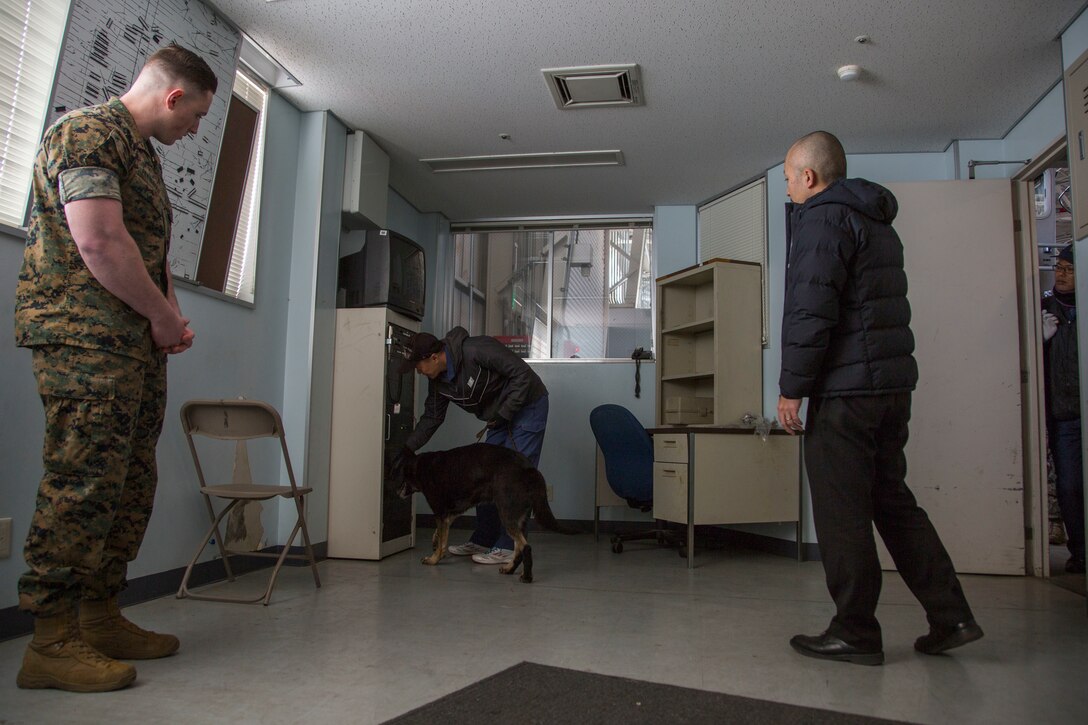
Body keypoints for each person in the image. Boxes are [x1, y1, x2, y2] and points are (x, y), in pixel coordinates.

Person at [13, 44, 216, 692]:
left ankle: (99, 615)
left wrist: (169, 315)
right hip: (85, 338)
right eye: (197, 117)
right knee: (83, 479)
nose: (194, 132)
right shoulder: (88, 133)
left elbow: (144, 249)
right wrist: (160, 317)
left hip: (131, 342)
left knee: (128, 482)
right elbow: (98, 240)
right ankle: (50, 638)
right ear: (174, 96)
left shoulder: (142, 158)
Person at [776, 131, 982, 666]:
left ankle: (856, 632)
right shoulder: (872, 218)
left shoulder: (822, 218)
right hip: (890, 388)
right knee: (891, 501)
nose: (788, 186)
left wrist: (792, 389)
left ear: (810, 177)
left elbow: (810, 312)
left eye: (789, 176)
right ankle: (951, 615)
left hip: (847, 391)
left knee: (841, 511)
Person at [399, 327, 549, 565]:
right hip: (499, 416)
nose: (418, 371)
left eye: (418, 366)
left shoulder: (477, 349)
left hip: (528, 405)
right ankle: (484, 538)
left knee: (513, 477)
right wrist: (406, 449)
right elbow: (432, 418)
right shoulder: (438, 382)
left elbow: (523, 375)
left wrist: (504, 413)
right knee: (483, 474)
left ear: (434, 357)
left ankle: (510, 546)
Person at [1041, 246, 1086, 574]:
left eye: (1069, 269)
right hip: (1065, 414)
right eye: (1059, 268)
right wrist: (1040, 340)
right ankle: (1080, 550)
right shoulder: (1045, 309)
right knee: (1069, 485)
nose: (1062, 274)